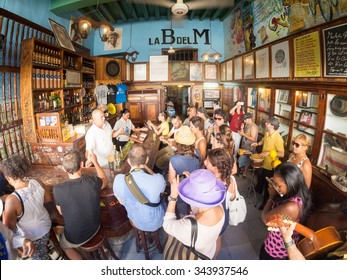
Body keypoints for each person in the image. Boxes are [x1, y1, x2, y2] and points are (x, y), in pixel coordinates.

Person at [53, 150, 108, 260]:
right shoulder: (92, 182)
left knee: (63, 245)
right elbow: (104, 180)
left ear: (64, 169)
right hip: (95, 227)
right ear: (82, 165)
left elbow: (61, 212)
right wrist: (95, 162)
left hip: (76, 238)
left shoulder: (58, 189)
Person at [163, 169, 226, 259]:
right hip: (209, 251)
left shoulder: (189, 226)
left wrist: (173, 197)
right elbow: (199, 206)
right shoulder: (218, 206)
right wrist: (193, 187)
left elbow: (167, 225)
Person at [1, 155, 52, 260]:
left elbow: (8, 230)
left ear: (8, 178)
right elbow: (48, 199)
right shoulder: (37, 181)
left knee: (40, 257)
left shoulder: (12, 200)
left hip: (34, 237)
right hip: (47, 226)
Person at [259, 162, 312, 260]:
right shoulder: (294, 194)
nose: (275, 187)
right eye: (273, 182)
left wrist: (271, 196)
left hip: (276, 251)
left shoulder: (290, 207)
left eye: (278, 185)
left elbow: (265, 218)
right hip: (275, 243)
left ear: (291, 184)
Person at [113, 144, 166, 232]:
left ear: (129, 161)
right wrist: (146, 167)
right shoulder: (159, 179)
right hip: (157, 221)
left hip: (136, 220)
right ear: (147, 160)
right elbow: (157, 180)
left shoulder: (118, 179)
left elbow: (122, 202)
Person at [204, 148, 236, 259]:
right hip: (224, 217)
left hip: (211, 217)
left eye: (207, 161)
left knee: (209, 240)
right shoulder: (230, 179)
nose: (204, 162)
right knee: (218, 238)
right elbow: (232, 197)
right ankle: (214, 258)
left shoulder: (210, 182)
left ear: (216, 168)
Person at [252, 116, 284, 210]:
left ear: (272, 126)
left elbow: (281, 154)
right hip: (263, 162)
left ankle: (265, 203)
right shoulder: (267, 133)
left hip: (270, 166)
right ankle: (258, 191)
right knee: (260, 178)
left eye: (267, 123)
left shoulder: (278, 138)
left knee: (268, 186)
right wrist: (257, 144)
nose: (266, 124)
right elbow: (263, 140)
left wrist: (269, 152)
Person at [238, 113, 258, 178]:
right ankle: (243, 169)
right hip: (244, 144)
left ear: (249, 119)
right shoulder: (247, 124)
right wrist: (242, 128)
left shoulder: (253, 126)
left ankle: (245, 172)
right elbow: (243, 134)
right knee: (243, 157)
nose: (244, 121)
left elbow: (253, 138)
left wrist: (243, 134)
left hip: (250, 146)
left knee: (247, 159)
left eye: (245, 120)